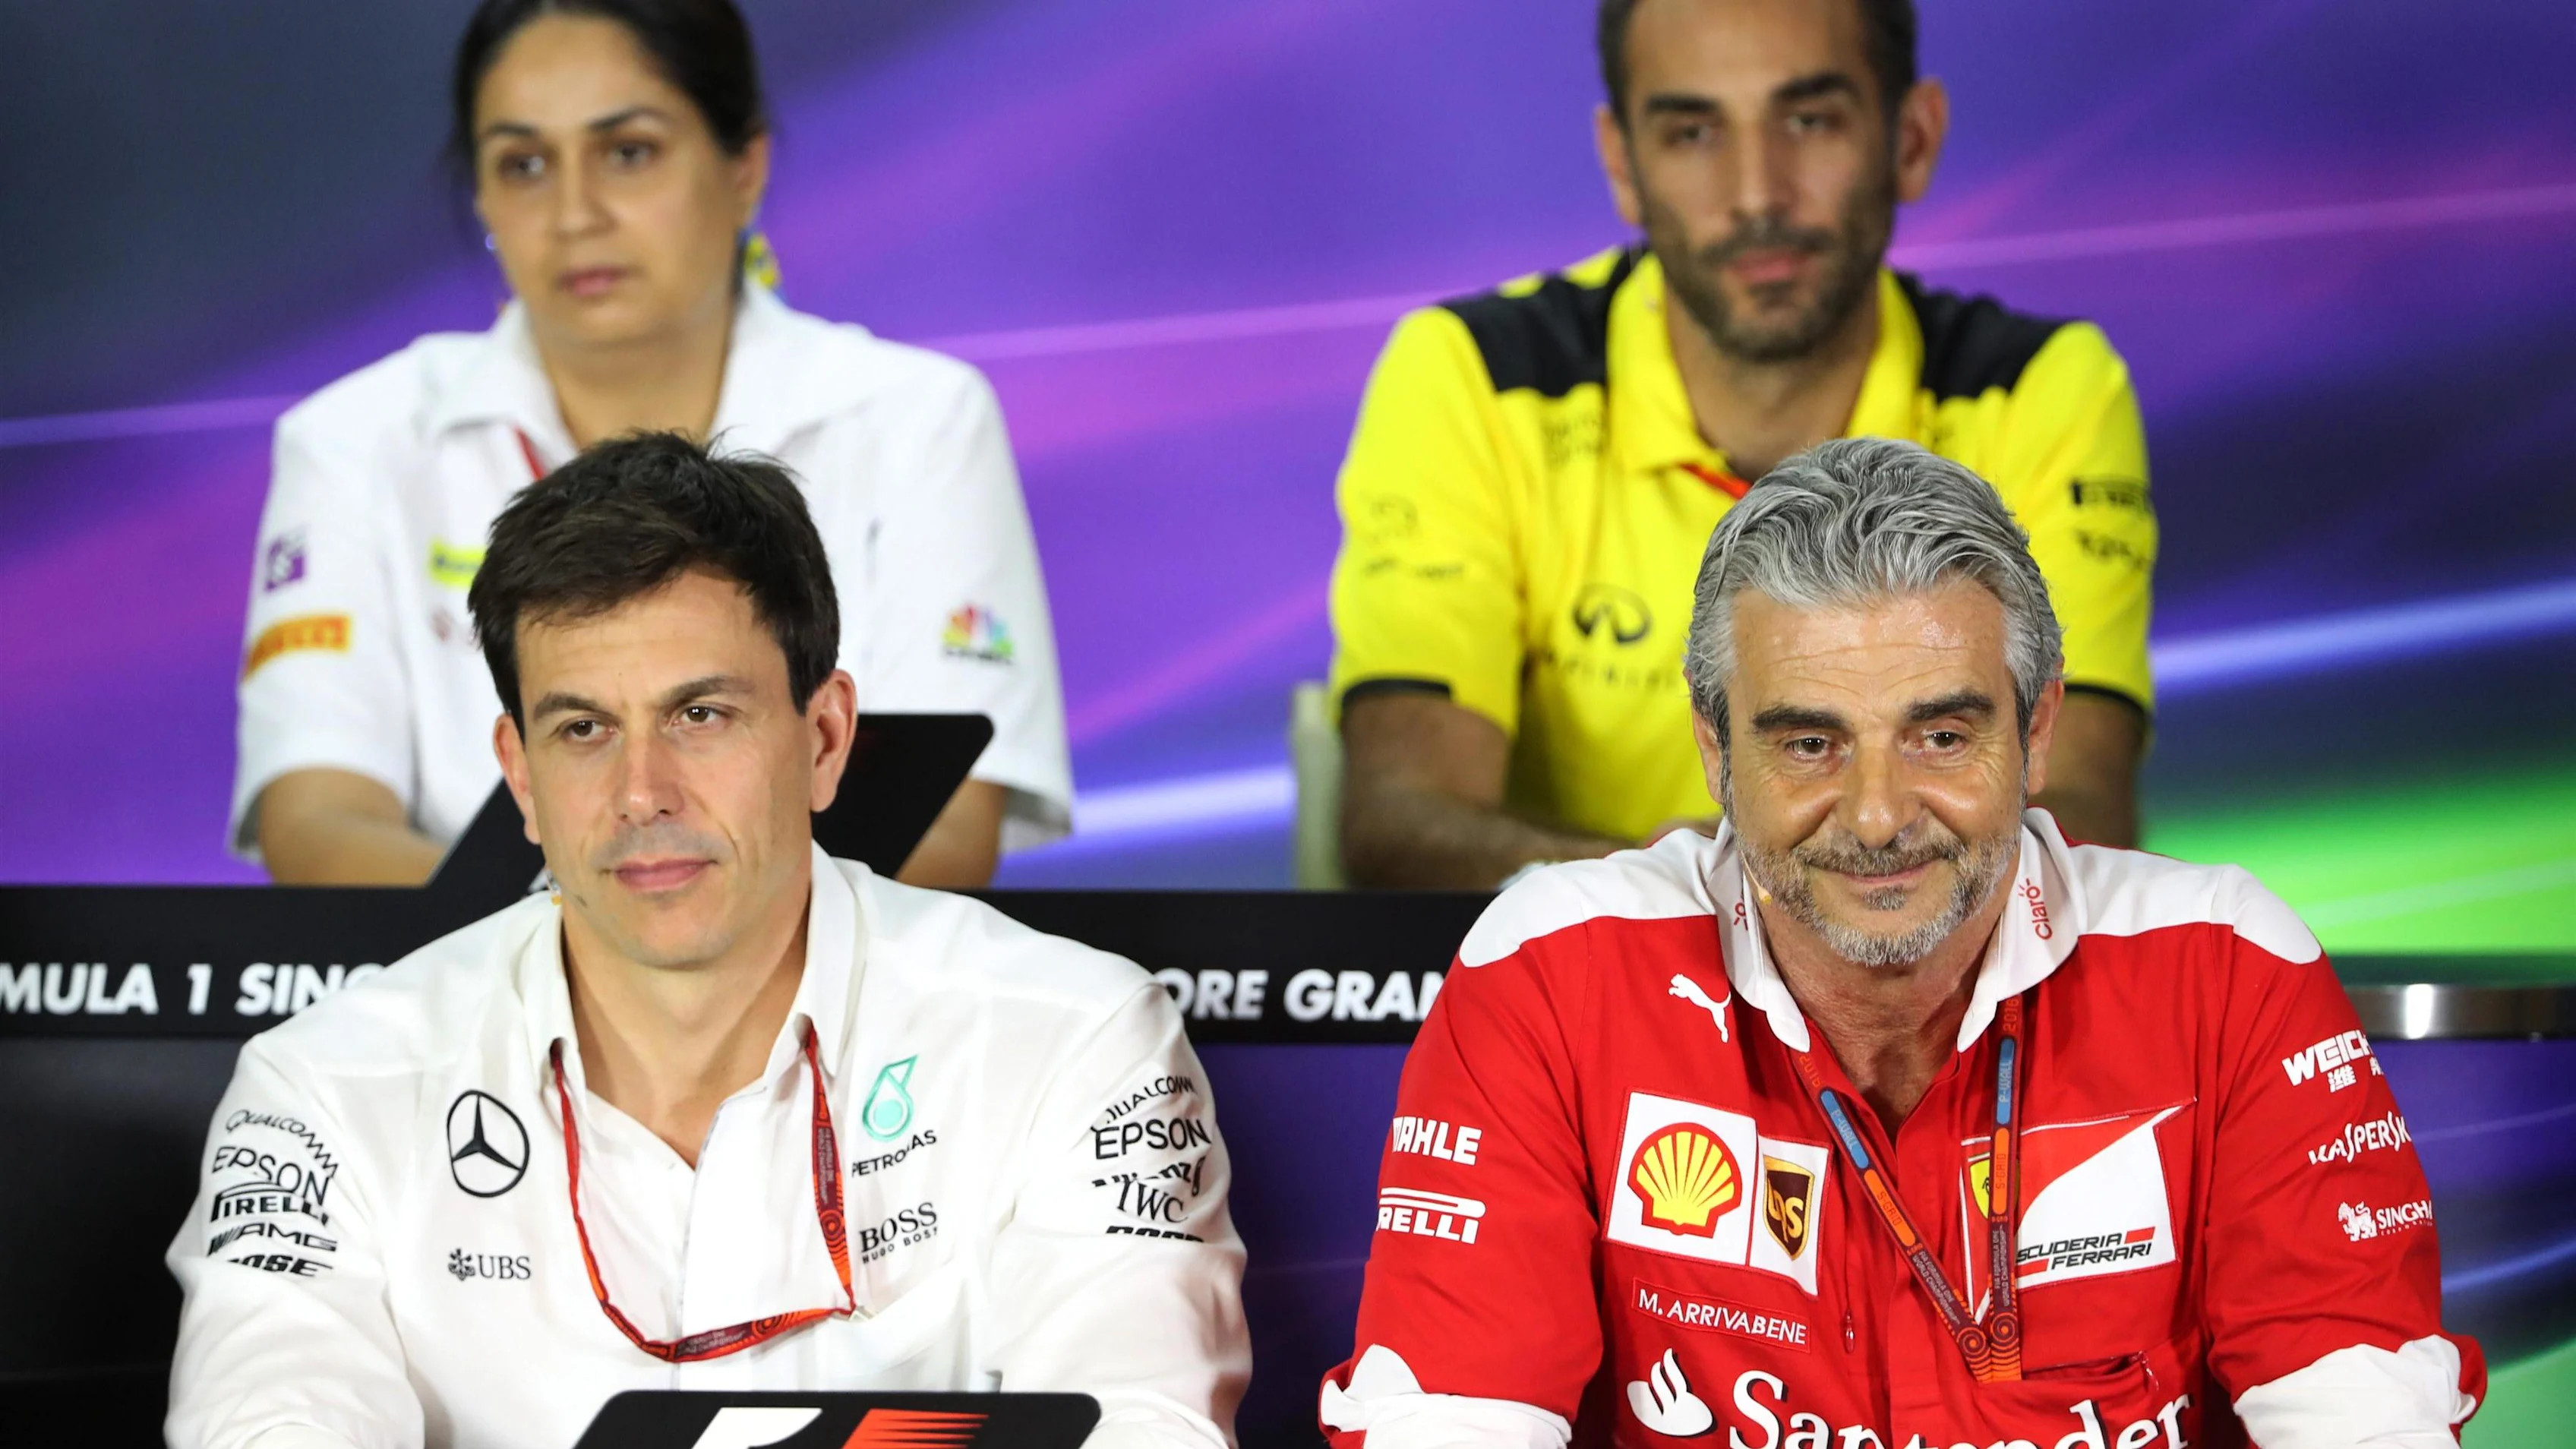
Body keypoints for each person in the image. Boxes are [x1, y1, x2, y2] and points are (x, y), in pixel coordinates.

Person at [1319, 440, 2478, 1447]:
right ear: (1716, 753)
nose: (1877, 817)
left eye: (1940, 736)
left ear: (2037, 729)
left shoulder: (2225, 966)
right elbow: (1445, 1426)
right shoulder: (1553, 971)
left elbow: (2369, 1422)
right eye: (1809, 745)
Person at [171, 435, 1245, 1449]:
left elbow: (1142, 1431)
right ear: (520, 775)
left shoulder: (1072, 1045)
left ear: (824, 739)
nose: (642, 793)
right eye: (583, 729)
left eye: (701, 715)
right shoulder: (325, 1093)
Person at [234, 0, 1067, 890]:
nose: (574, 214)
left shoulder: (916, 419)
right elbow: (316, 825)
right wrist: (590, 934)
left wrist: (654, 933)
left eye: (627, 152)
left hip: (840, 979)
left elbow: (946, 833)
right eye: (523, 165)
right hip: (469, 979)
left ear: (744, 167)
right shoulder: (355, 441)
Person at [1327, 0, 2158, 887]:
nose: (1757, 194)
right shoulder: (1473, 377)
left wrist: (1728, 887)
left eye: (1808, 121)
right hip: (1593, 974)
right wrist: (1706, 890)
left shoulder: (2040, 390)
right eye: (1692, 133)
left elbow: (2079, 820)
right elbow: (1401, 823)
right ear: (1622, 164)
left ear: (1910, 139)